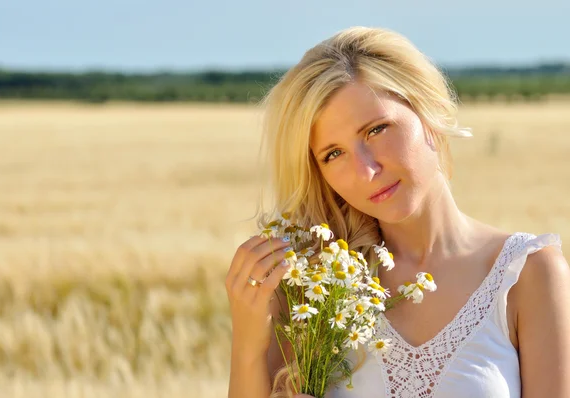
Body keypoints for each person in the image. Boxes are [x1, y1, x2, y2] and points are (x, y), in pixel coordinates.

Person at [224, 26, 570, 398]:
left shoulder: (527, 275)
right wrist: (248, 345)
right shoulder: (314, 290)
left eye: (376, 130)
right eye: (334, 154)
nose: (366, 170)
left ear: (429, 111)